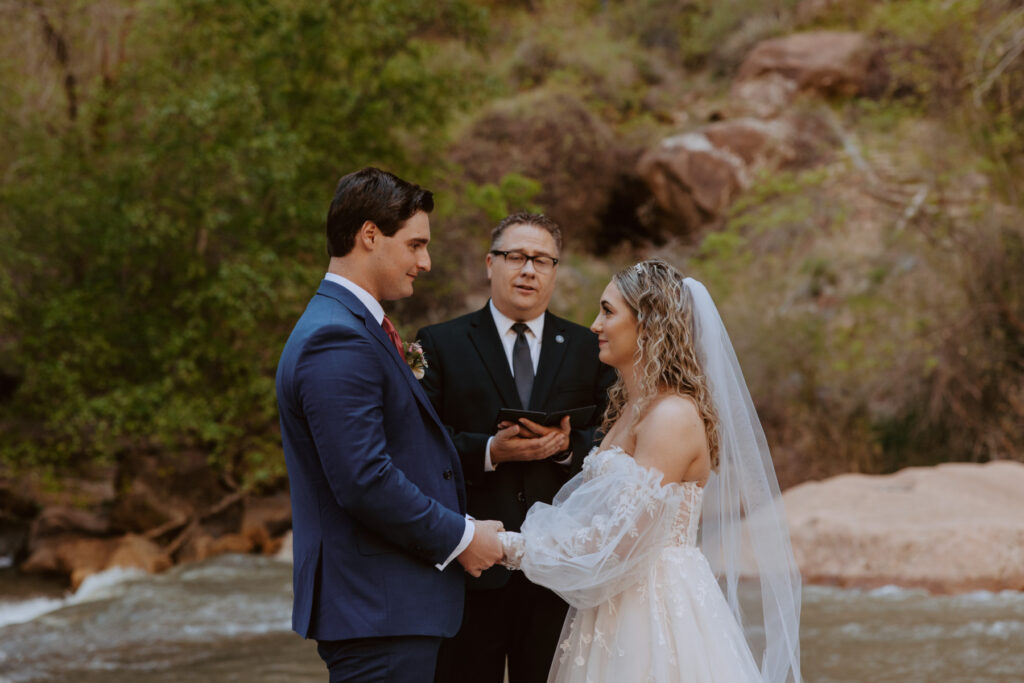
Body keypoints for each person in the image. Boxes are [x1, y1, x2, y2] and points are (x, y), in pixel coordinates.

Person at [497, 259, 803, 683]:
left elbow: (621, 539)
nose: (593, 324)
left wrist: (511, 547)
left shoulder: (671, 416)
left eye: (607, 311)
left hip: (655, 610)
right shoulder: (633, 410)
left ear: (649, 323)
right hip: (614, 606)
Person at [275, 167, 505, 683]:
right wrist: (462, 538)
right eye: (416, 244)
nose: (425, 262)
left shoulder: (354, 326)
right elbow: (364, 480)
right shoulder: (335, 339)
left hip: (387, 607)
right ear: (370, 235)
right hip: (375, 611)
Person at [416, 213, 615, 683]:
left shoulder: (592, 347)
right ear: (490, 263)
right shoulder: (439, 344)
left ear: (554, 270)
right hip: (471, 571)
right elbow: (421, 444)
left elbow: (616, 434)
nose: (528, 269)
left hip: (560, 576)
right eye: (516, 256)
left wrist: (568, 448)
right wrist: (489, 450)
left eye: (542, 260)